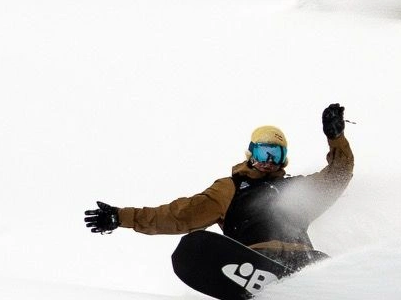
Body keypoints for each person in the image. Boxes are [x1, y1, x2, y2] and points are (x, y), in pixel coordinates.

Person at [84, 104, 353, 276]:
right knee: (194, 242)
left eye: (275, 153)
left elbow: (337, 176)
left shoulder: (297, 188)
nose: (268, 161)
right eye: (262, 151)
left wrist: (336, 138)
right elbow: (180, 215)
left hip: (305, 262)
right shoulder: (231, 188)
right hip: (259, 257)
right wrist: (121, 217)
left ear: (284, 158)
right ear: (250, 153)